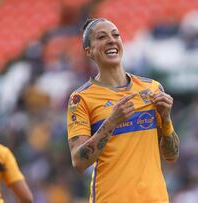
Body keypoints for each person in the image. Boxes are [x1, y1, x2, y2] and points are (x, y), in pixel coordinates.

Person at [67, 18, 180, 203]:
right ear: (89, 52)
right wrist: (111, 122)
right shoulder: (80, 99)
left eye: (115, 35)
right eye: (101, 37)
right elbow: (79, 162)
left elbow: (172, 156)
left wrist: (166, 119)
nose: (111, 40)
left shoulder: (152, 88)